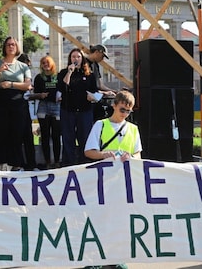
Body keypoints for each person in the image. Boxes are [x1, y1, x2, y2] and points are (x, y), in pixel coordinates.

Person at [83, 90, 141, 269]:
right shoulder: (100, 125)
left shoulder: (133, 129)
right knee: (98, 218)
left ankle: (117, 256)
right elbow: (88, 152)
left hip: (122, 180)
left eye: (128, 111)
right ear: (114, 106)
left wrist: (131, 159)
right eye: (122, 109)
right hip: (101, 179)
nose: (125, 114)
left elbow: (138, 155)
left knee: (119, 219)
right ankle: (94, 258)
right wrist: (104, 155)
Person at [0, 36, 35, 171]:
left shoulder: (23, 66)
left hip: (17, 101)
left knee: (17, 133)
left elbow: (27, 85)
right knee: (1, 132)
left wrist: (11, 84)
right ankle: (1, 163)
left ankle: (15, 164)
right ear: (4, 47)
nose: (11, 47)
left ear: (17, 47)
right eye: (8, 44)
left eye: (13, 44)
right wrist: (0, 70)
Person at [57, 48, 99, 166]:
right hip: (68, 110)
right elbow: (62, 88)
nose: (76, 59)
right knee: (68, 138)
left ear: (82, 59)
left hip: (84, 111)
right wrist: (69, 72)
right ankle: (68, 163)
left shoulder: (89, 75)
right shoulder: (63, 73)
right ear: (70, 59)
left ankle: (84, 162)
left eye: (78, 57)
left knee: (84, 137)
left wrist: (92, 97)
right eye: (73, 56)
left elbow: (94, 91)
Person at [30, 55, 61, 169]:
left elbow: (62, 90)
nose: (45, 65)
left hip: (56, 106)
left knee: (56, 135)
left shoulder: (58, 76)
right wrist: (40, 95)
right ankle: (47, 161)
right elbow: (35, 93)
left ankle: (57, 161)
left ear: (52, 63)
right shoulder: (39, 77)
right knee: (45, 135)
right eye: (43, 63)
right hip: (43, 106)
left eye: (47, 62)